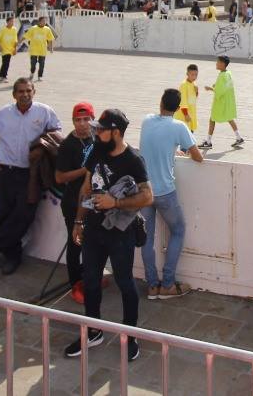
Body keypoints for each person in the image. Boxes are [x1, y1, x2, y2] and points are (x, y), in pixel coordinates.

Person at [66, 108, 153, 361]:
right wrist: (78, 221)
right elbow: (86, 187)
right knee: (91, 281)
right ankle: (93, 331)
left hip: (119, 233)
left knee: (125, 283)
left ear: (115, 132)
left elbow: (148, 196)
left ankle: (130, 335)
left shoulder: (133, 159)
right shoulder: (96, 151)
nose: (96, 133)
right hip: (93, 231)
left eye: (102, 130)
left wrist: (115, 203)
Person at [0, 78, 61, 275]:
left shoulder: (44, 112)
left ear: (34, 92)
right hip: (5, 171)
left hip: (31, 174)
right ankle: (12, 256)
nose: (25, 94)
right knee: (5, 214)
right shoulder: (3, 113)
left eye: (28, 91)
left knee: (24, 215)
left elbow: (57, 133)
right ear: (14, 94)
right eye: (21, 91)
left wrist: (42, 146)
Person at [140, 88, 204, 300]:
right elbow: (198, 157)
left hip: (144, 191)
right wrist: (181, 148)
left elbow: (155, 145)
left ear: (160, 103)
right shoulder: (179, 126)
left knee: (147, 238)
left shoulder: (147, 121)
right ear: (177, 108)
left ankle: (152, 285)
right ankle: (167, 283)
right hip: (164, 191)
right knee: (178, 230)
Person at [55, 102, 100, 303]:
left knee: (93, 243)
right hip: (73, 201)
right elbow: (59, 177)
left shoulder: (97, 137)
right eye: (77, 120)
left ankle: (90, 279)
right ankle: (75, 284)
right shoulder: (67, 145)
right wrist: (85, 170)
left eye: (86, 119)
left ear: (93, 119)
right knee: (75, 243)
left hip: (93, 200)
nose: (82, 124)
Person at [201, 55, 243, 150]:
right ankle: (239, 137)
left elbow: (220, 91)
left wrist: (210, 88)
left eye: (218, 62)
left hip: (221, 102)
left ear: (223, 64)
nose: (216, 63)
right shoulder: (228, 73)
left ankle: (208, 142)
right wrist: (216, 85)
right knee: (229, 118)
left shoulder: (222, 75)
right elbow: (225, 85)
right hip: (228, 101)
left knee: (212, 119)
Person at [24, 15, 56, 81]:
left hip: (42, 50)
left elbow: (50, 39)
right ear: (39, 22)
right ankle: (32, 73)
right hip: (34, 50)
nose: (44, 22)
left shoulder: (47, 29)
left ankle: (40, 76)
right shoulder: (33, 28)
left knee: (42, 64)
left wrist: (51, 48)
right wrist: (19, 42)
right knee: (33, 64)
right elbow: (26, 36)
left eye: (45, 21)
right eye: (43, 21)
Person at [0, 16, 20, 82]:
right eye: (11, 21)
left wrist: (15, 49)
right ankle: (4, 76)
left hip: (10, 49)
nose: (12, 23)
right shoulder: (3, 29)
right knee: (6, 63)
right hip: (4, 49)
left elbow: (15, 40)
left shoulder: (14, 29)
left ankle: (0, 76)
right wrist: (0, 46)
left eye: (13, 21)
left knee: (5, 63)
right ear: (7, 22)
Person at [176, 64, 199, 133]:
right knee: (185, 133)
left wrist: (196, 91)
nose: (194, 77)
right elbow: (183, 101)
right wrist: (186, 114)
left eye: (196, 75)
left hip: (191, 113)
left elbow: (193, 98)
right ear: (187, 74)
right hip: (184, 115)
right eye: (192, 75)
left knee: (190, 132)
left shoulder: (193, 84)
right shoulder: (184, 85)